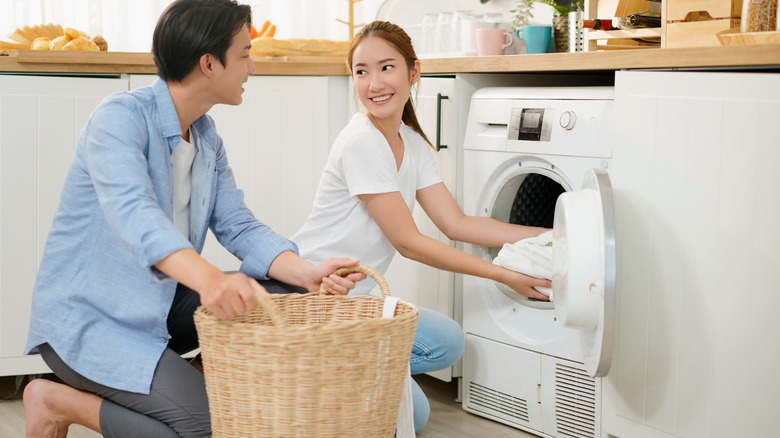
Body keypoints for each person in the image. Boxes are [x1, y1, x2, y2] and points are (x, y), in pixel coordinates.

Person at [22, 1, 362, 437]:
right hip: (92, 320)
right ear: (208, 63)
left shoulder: (205, 135)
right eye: (244, 53)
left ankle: (195, 386)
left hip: (160, 307)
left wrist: (309, 271)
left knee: (287, 293)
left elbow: (238, 225)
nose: (252, 67)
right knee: (207, 430)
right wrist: (211, 280)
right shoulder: (119, 120)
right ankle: (54, 401)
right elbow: (136, 218)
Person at [291, 20, 552, 432]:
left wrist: (551, 235)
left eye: (386, 67)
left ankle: (343, 373)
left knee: (446, 340)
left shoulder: (411, 143)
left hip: (359, 305)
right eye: (361, 71)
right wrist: (504, 274)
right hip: (315, 297)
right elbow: (410, 243)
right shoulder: (362, 141)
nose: (374, 82)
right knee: (414, 414)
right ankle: (316, 373)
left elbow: (457, 223)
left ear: (414, 72)